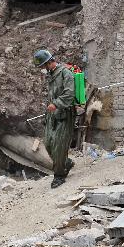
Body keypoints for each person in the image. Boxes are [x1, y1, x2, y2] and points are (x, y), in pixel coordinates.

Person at [33, 49, 76, 188]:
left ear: (50, 62)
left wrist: (56, 104)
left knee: (59, 146)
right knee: (48, 144)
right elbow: (51, 95)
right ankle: (65, 163)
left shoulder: (65, 73)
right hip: (52, 114)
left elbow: (69, 94)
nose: (43, 69)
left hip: (65, 113)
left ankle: (59, 175)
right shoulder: (51, 76)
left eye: (44, 66)